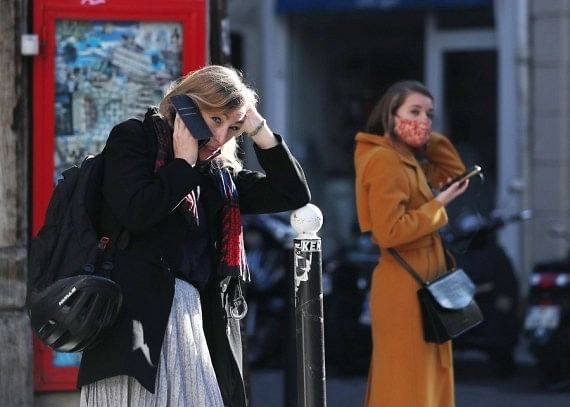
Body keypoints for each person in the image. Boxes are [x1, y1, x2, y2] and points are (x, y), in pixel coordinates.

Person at [78, 65, 311, 407]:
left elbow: (293, 193)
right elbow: (137, 212)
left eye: (233, 128)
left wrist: (257, 127)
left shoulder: (218, 176)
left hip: (195, 324)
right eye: (215, 120)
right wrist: (182, 166)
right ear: (185, 108)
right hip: (134, 326)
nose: (221, 138)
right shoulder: (134, 139)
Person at [354, 80, 469, 407]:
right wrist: (437, 206)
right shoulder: (384, 160)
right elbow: (389, 232)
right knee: (407, 384)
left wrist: (424, 137)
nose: (423, 120)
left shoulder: (404, 156)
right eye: (414, 112)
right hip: (405, 286)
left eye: (429, 114)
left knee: (426, 382)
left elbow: (454, 173)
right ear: (391, 115)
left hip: (425, 281)